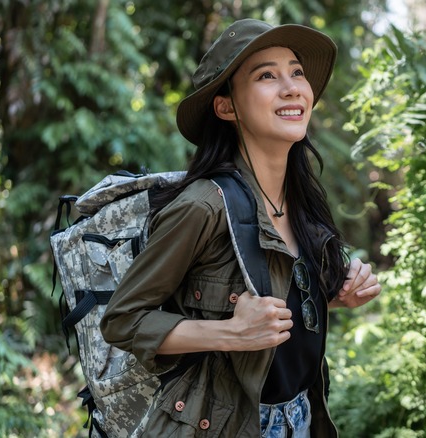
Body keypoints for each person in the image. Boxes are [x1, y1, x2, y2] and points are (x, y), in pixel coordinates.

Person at [101, 18, 381, 437]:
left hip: (300, 417)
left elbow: (282, 314)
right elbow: (122, 321)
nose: (291, 87)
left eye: (296, 72)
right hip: (223, 425)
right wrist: (232, 332)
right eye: (267, 75)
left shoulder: (301, 199)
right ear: (226, 106)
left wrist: (338, 296)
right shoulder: (203, 207)